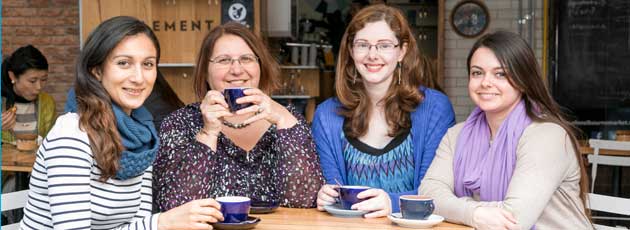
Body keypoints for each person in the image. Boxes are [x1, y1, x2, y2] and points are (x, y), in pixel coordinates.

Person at [20, 16, 223, 230]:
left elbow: (137, 224)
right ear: (96, 71)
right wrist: (162, 222)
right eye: (123, 63)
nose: (138, 77)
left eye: (148, 64)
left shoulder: (142, 135)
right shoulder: (71, 134)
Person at [419, 31, 592, 229]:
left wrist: (453, 206)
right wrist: (473, 213)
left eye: (500, 74)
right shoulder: (457, 135)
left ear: (523, 80)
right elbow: (427, 194)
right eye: (477, 72)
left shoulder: (547, 136)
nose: (485, 82)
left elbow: (514, 220)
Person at [153, 22, 324, 212]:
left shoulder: (290, 120)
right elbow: (176, 207)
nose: (236, 70)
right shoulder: (179, 123)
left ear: (261, 67)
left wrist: (284, 119)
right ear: (205, 72)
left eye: (246, 58)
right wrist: (208, 133)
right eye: (224, 60)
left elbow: (305, 199)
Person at [313, 4, 455, 218]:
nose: (372, 55)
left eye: (384, 45)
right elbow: (336, 191)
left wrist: (393, 202)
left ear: (402, 51)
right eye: (362, 45)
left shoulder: (435, 108)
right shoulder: (326, 115)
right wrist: (327, 195)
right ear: (351, 50)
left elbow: (436, 193)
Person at [1, 44, 56, 144]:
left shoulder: (47, 103)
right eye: (32, 81)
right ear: (12, 76)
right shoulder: (2, 102)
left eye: (43, 79)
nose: (39, 87)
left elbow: (52, 142)